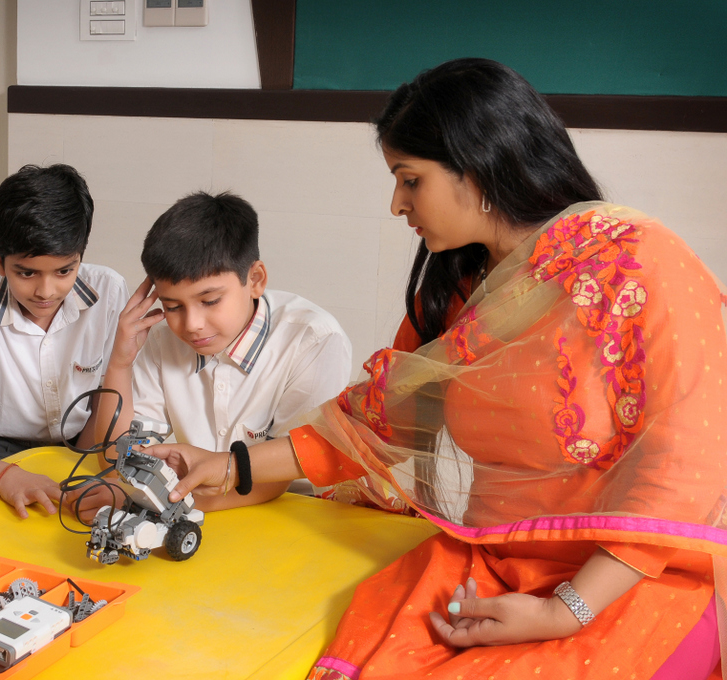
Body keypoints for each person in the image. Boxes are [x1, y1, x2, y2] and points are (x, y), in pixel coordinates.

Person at [149, 59, 727, 679]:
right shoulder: (459, 295)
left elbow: (689, 457)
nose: (397, 203)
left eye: (409, 178)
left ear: (476, 167)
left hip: (632, 579)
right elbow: (373, 423)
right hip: (493, 561)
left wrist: (568, 609)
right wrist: (230, 465)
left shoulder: (636, 262)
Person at [91, 190, 352, 511]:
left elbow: (284, 472)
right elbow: (119, 455)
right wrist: (120, 362)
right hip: (198, 503)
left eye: (210, 301)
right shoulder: (160, 339)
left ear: (255, 279)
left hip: (294, 507)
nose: (192, 324)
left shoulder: (312, 339)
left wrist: (170, 503)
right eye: (172, 306)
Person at [0, 164, 128, 518]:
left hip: (86, 442)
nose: (46, 291)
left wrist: (79, 460)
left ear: (81, 254)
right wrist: (4, 477)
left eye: (65, 270)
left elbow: (110, 394)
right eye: (27, 273)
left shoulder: (108, 291)